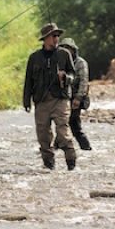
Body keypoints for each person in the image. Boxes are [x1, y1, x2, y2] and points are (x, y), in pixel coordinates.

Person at [23, 22, 77, 170]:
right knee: (43, 136)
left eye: (58, 36)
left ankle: (71, 165)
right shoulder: (34, 58)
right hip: (41, 101)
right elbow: (28, 80)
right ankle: (49, 166)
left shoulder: (64, 54)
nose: (56, 39)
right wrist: (26, 100)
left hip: (60, 99)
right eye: (53, 36)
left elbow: (74, 75)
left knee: (63, 132)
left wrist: (66, 77)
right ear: (45, 39)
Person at [58, 37, 92, 150]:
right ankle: (57, 146)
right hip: (63, 98)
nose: (66, 50)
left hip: (76, 98)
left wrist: (78, 99)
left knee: (73, 124)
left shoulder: (81, 63)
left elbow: (84, 82)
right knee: (63, 123)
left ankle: (86, 148)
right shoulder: (59, 62)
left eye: (68, 48)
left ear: (73, 49)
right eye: (63, 48)